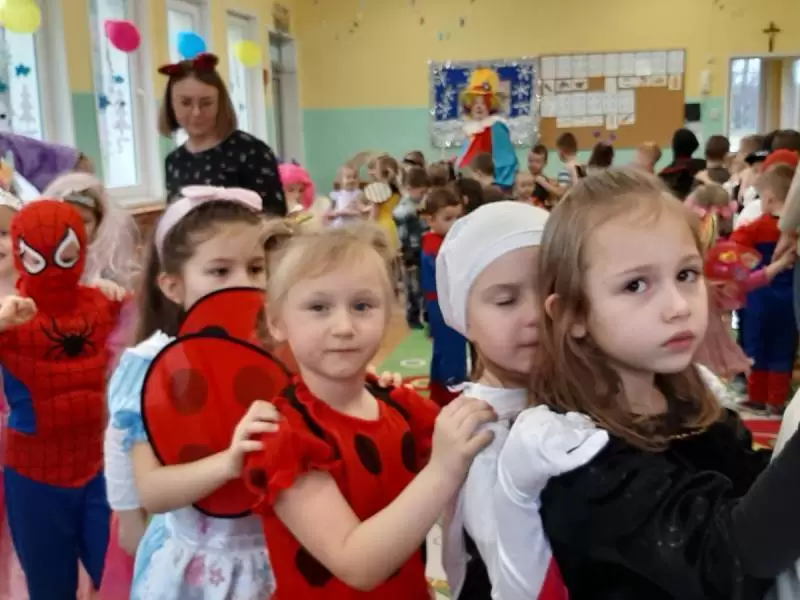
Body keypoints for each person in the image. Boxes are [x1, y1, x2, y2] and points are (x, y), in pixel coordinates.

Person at [532, 167, 800, 599]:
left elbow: (755, 488)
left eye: (686, 275)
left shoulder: (687, 403)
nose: (678, 306)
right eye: (636, 284)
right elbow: (730, 560)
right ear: (572, 315)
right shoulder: (578, 455)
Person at [242, 224, 495, 598]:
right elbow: (357, 566)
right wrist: (442, 470)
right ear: (276, 322)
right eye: (318, 308)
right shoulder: (284, 437)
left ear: (387, 313)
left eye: (362, 306)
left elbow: (476, 445)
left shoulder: (400, 405)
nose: (344, 327)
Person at [436, 201, 608, 599]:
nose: (535, 315)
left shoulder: (583, 390)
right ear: (464, 318)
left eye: (550, 292)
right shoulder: (477, 429)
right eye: (505, 301)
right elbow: (508, 570)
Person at [0, 200, 125, 599]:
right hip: (33, 476)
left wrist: (119, 298)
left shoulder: (100, 303)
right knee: (50, 588)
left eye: (66, 256)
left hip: (98, 466)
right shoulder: (11, 315)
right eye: (39, 259)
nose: (54, 269)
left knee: (119, 576)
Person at [158, 53, 286, 216]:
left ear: (220, 103)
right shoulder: (174, 161)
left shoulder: (251, 151)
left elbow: (274, 217)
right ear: (171, 105)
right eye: (186, 103)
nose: (196, 112)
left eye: (206, 103)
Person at [732, 164, 798, 413]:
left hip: (759, 297)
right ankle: (776, 400)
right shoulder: (795, 233)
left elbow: (734, 249)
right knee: (783, 347)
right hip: (789, 299)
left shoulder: (756, 227)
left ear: (768, 199)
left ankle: (757, 396)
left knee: (756, 346)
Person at [421, 188, 468, 406]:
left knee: (442, 348)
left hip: (440, 302)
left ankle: (439, 392)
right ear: (430, 220)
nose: (454, 224)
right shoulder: (436, 245)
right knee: (452, 348)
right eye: (448, 219)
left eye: (458, 218)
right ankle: (453, 391)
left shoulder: (436, 241)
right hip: (444, 303)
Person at [456, 68, 518, 189]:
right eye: (475, 103)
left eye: (483, 103)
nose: (478, 107)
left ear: (490, 106)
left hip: (489, 187)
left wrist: (497, 185)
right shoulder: (471, 130)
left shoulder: (496, 127)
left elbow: (506, 161)